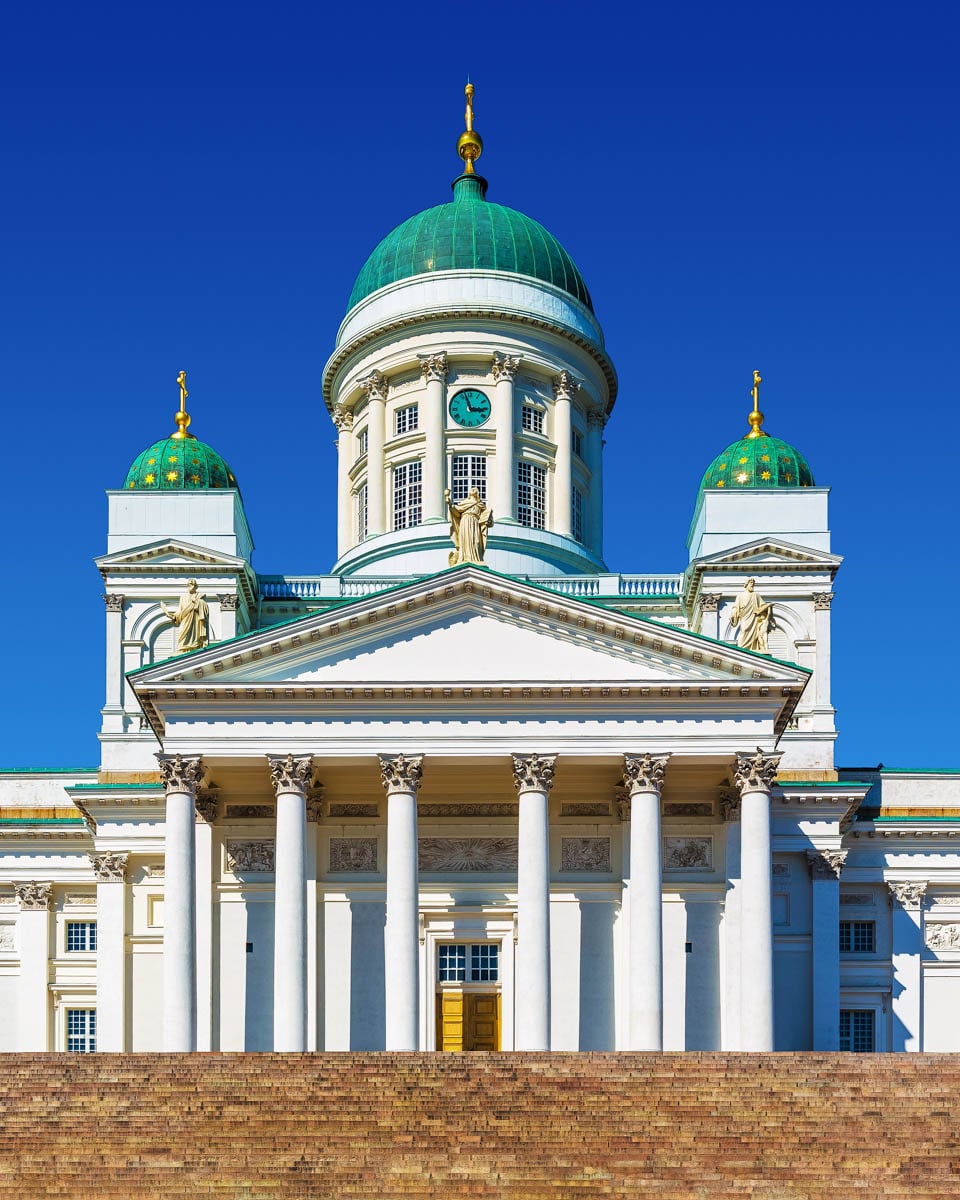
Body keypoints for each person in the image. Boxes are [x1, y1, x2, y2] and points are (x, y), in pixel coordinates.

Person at [444, 486, 493, 566]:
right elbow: (456, 512)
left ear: (478, 493)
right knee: (465, 539)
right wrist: (450, 503)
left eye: (475, 489)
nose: (473, 489)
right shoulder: (465, 503)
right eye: (471, 489)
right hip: (465, 522)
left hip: (475, 523)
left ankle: (476, 558)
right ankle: (464, 558)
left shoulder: (481, 505)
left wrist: (488, 522)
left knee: (476, 541)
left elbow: (488, 519)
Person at [162, 579, 210, 653]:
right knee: (182, 636)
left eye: (192, 584)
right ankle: (183, 651)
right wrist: (174, 616)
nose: (190, 586)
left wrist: (197, 601)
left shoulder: (200, 596)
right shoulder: (183, 597)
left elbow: (205, 608)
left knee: (195, 638)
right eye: (189, 584)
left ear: (196, 586)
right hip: (185, 620)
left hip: (196, 621)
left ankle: (195, 649)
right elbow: (180, 610)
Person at [729, 578, 773, 652]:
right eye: (751, 582)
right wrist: (733, 614)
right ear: (746, 584)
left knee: (754, 633)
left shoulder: (756, 595)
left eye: (753, 583)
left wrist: (768, 605)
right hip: (744, 616)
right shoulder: (740, 595)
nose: (752, 584)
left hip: (754, 618)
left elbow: (762, 605)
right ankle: (741, 649)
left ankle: (752, 649)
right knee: (744, 630)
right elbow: (736, 607)